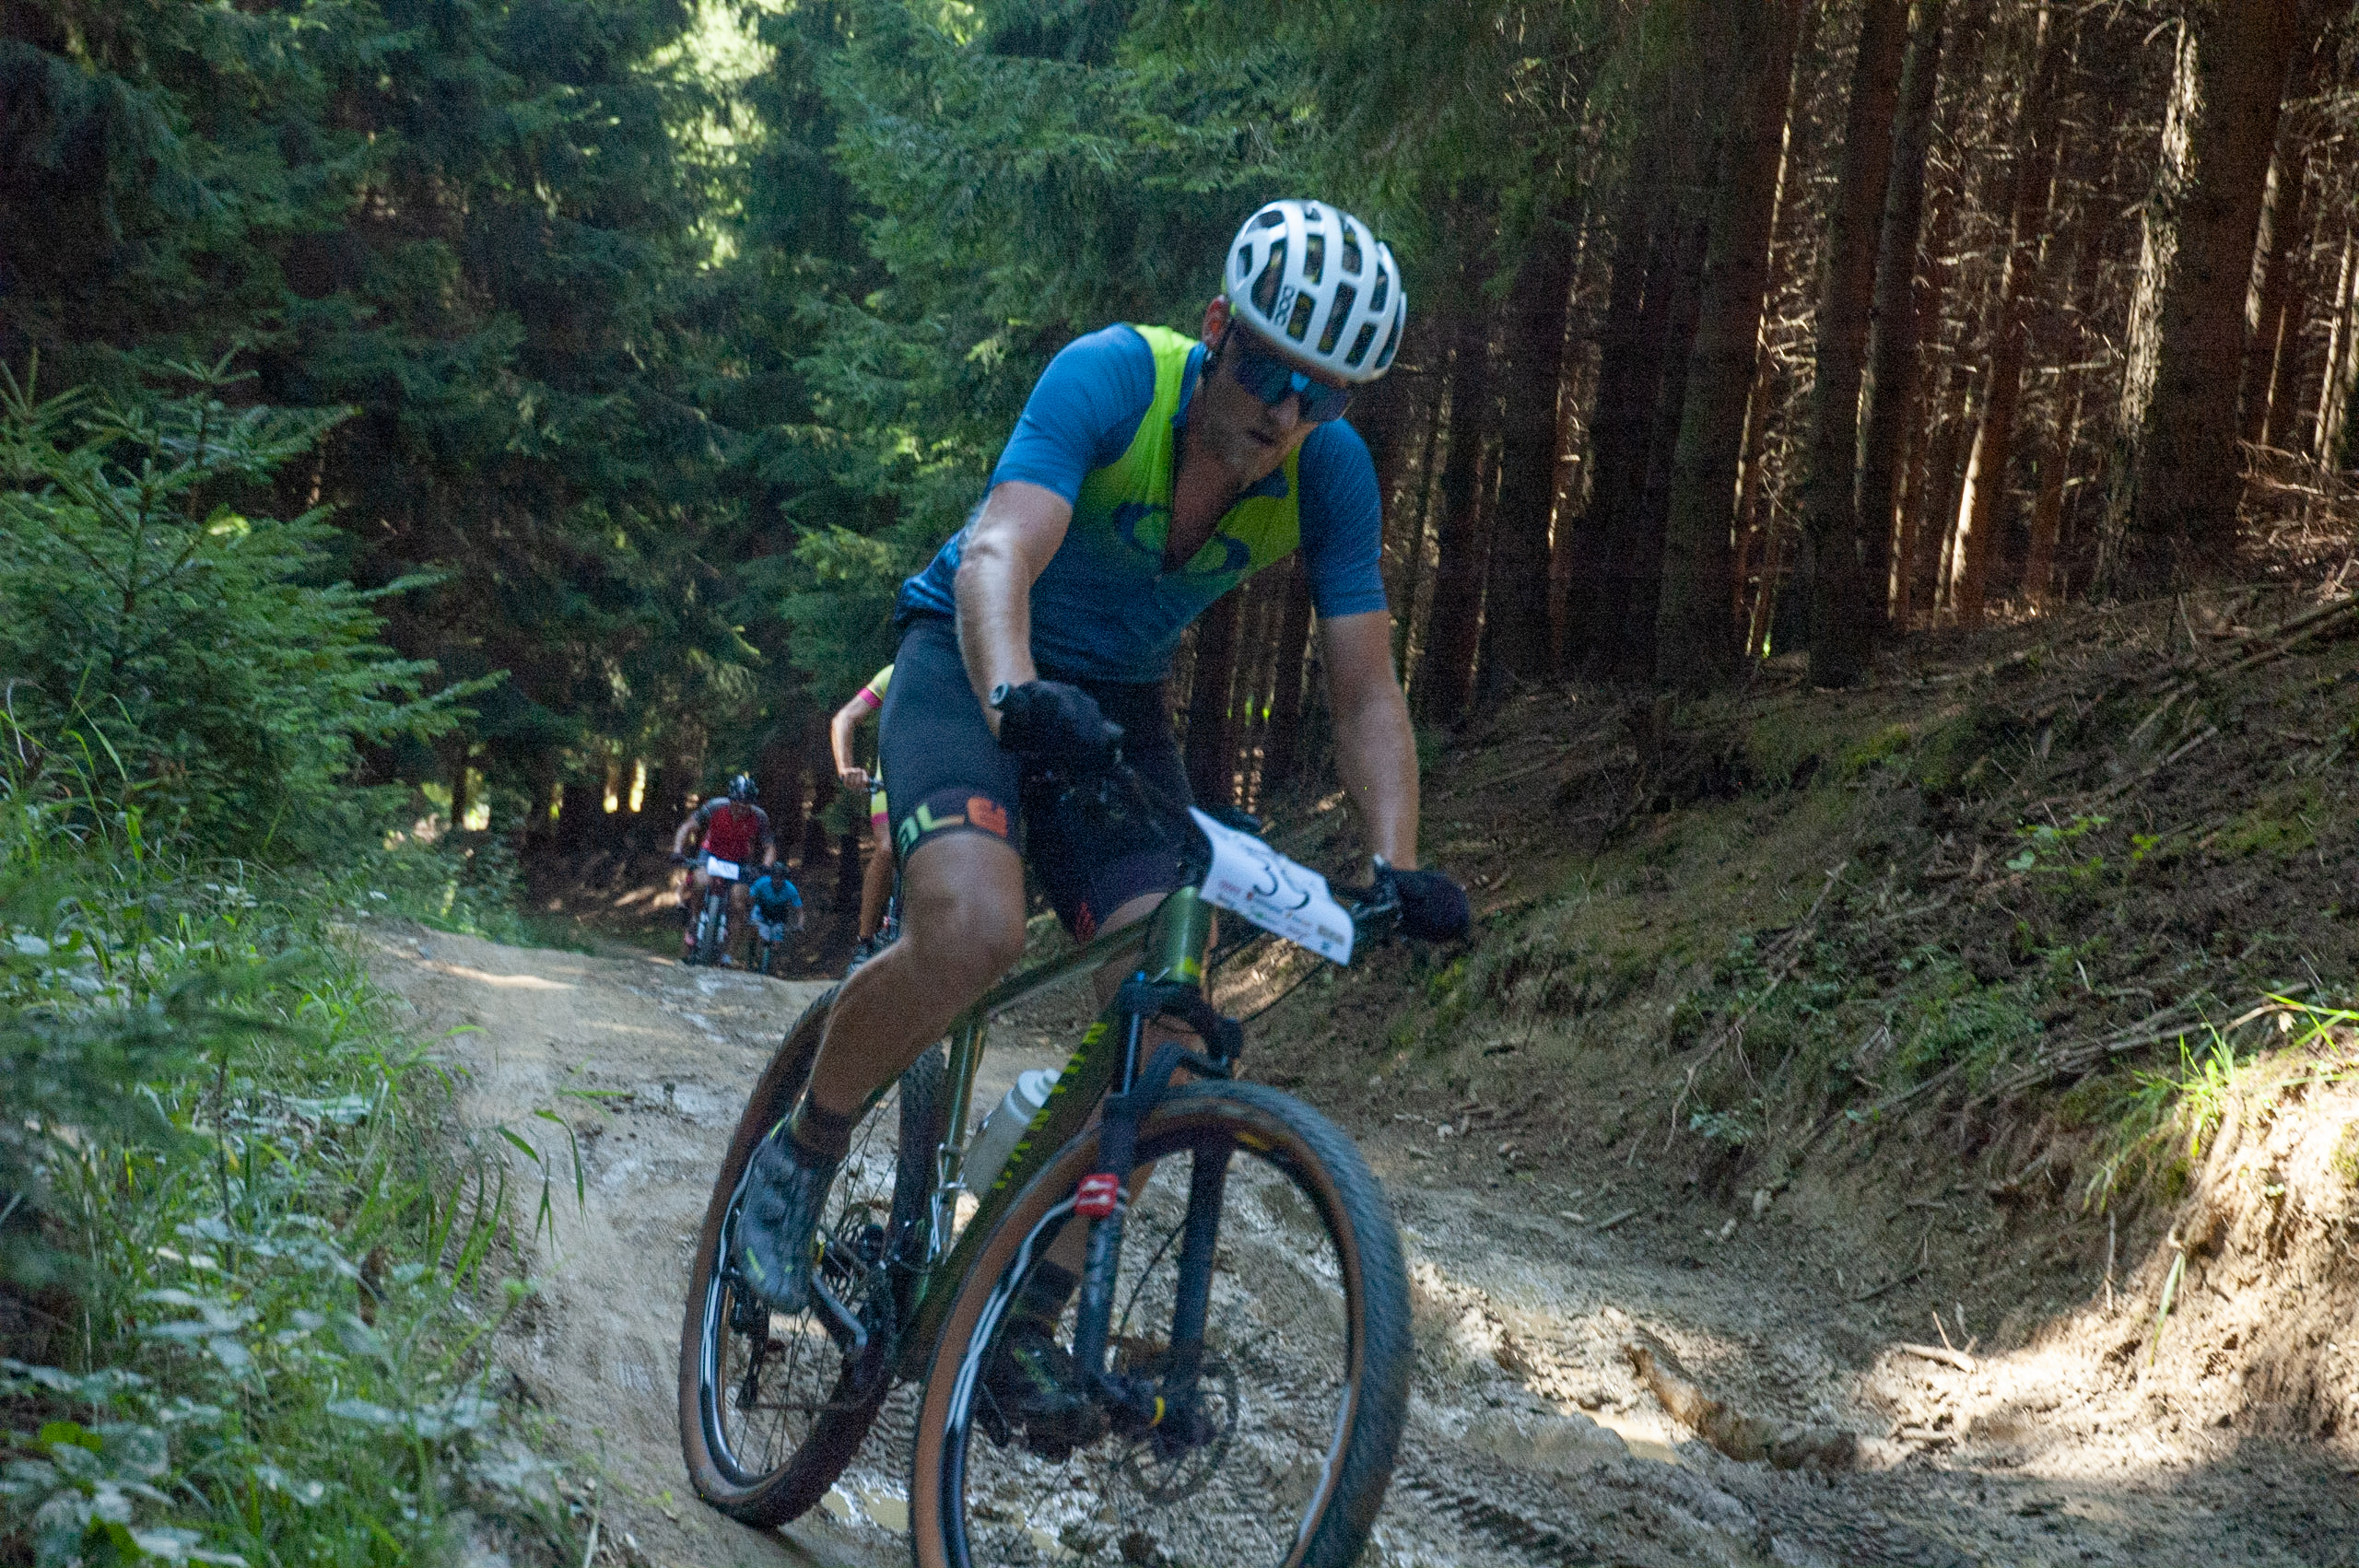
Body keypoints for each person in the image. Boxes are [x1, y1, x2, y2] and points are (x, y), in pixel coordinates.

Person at [730, 200, 1471, 1426]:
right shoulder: (1115, 378)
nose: (1287, 414)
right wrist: (1012, 695)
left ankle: (1019, 1315)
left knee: (1168, 1015)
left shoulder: (1329, 473)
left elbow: (1363, 686)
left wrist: (1398, 862)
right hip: (970, 656)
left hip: (1115, 704)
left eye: (1325, 395)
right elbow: (997, 557)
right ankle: (799, 1154)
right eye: (1270, 372)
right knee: (974, 930)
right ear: (1218, 329)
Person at [670, 773, 777, 965]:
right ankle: (695, 919)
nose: (741, 808)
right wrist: (677, 850)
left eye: (746, 804)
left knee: (739, 901)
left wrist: (765, 867)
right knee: (701, 881)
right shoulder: (715, 806)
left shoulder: (759, 817)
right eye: (737, 803)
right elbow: (687, 827)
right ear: (730, 799)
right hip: (711, 853)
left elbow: (769, 847)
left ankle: (728, 955)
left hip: (739, 860)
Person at [828, 665, 897, 949]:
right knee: (887, 849)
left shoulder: (965, 672)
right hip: (892, 784)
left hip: (939, 788)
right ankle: (865, 939)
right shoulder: (895, 673)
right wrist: (846, 768)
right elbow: (845, 717)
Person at [746, 867, 804, 969]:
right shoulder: (762, 882)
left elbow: (800, 911)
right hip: (761, 910)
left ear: (784, 878)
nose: (777, 880)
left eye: (780, 878)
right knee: (757, 932)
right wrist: (748, 914)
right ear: (771, 877)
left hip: (778, 914)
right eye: (775, 877)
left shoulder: (790, 889)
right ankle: (752, 955)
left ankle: (769, 965)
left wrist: (800, 926)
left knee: (776, 944)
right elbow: (751, 897)